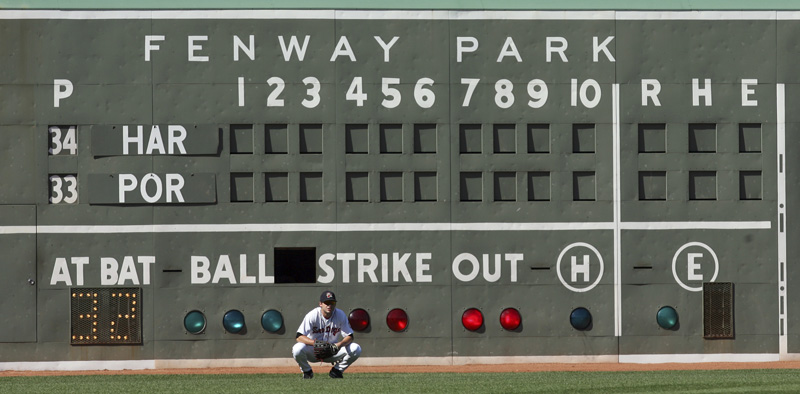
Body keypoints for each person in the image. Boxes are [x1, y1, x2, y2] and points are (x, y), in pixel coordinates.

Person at [292, 290, 362, 379]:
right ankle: (307, 371)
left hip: (332, 351)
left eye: (332, 302)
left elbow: (350, 336)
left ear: (335, 304)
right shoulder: (313, 315)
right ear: (320, 304)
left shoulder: (340, 314)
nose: (329, 305)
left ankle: (337, 371)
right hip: (314, 352)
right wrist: (315, 343)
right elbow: (299, 337)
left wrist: (339, 345)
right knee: (297, 348)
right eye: (327, 303)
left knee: (356, 348)